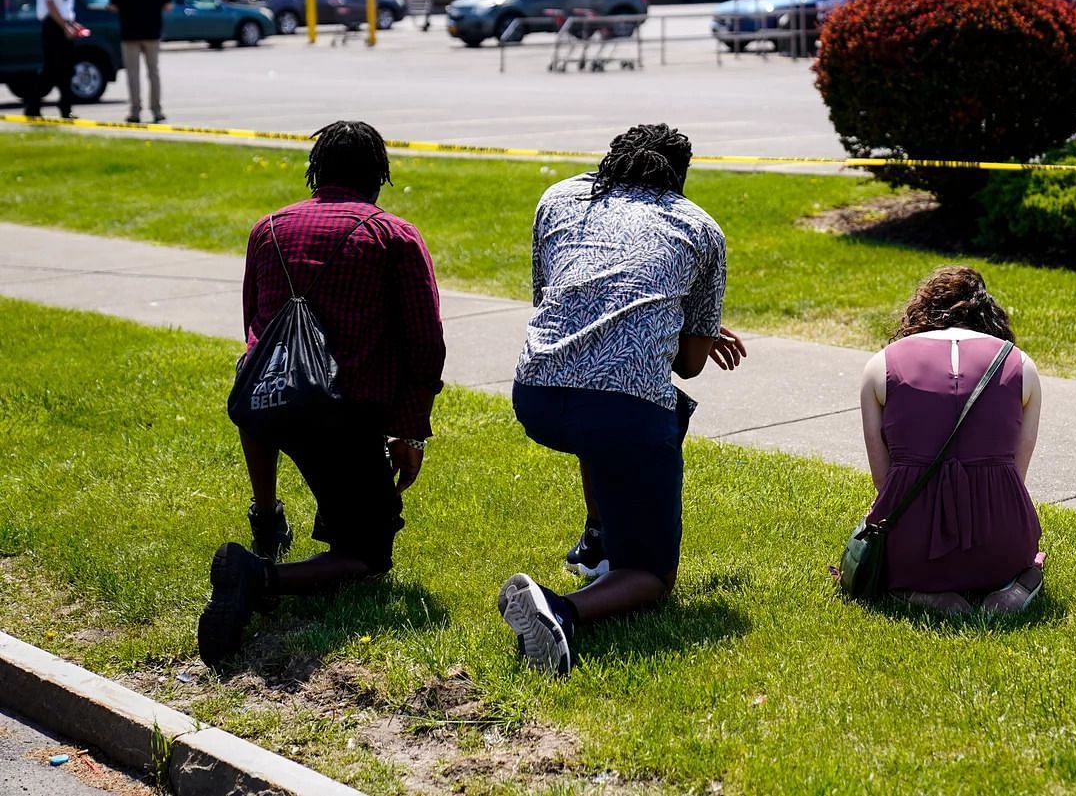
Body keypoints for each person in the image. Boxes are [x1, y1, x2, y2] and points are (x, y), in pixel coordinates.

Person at [198, 120, 447, 668]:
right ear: (379, 176)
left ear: (316, 171)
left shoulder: (267, 228)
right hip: (344, 414)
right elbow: (425, 346)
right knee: (366, 554)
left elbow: (254, 327)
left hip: (265, 405)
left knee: (259, 399)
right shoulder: (394, 236)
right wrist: (409, 430)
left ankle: (267, 518)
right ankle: (259, 574)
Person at [499, 123, 746, 676]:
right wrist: (690, 328)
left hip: (536, 391)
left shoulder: (560, 196)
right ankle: (559, 611)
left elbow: (560, 296)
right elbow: (688, 364)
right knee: (652, 577)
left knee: (605, 409)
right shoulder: (699, 226)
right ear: (680, 178)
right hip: (620, 410)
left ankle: (597, 540)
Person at [858, 266, 1044, 615]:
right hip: (1002, 542)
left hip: (912, 547)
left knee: (893, 553)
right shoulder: (1021, 365)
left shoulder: (880, 365)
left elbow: (884, 482)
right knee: (1023, 560)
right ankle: (1015, 588)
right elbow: (1015, 478)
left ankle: (922, 592)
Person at [108, 0, 172, 124]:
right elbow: (167, 6)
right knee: (153, 72)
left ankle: (135, 111)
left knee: (133, 74)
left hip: (130, 34)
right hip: (152, 33)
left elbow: (113, 6)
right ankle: (157, 110)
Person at [29, 0, 82, 119]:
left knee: (67, 69)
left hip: (64, 23)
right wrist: (64, 27)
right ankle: (33, 106)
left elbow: (65, 6)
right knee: (50, 69)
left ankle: (66, 108)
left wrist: (72, 24)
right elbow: (51, 6)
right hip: (53, 26)